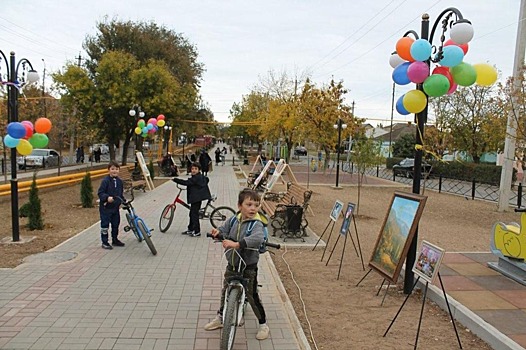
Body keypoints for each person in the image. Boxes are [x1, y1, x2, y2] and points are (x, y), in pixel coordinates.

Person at [204, 189, 270, 340]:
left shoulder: (257, 224)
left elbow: (258, 238)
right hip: (233, 263)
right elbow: (224, 230)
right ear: (240, 206)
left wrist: (237, 244)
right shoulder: (234, 219)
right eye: (249, 204)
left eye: (256, 205)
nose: (253, 208)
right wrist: (217, 232)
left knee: (252, 295)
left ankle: (263, 324)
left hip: (248, 265)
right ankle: (221, 317)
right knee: (226, 289)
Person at [172, 162, 211, 237]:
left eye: (195, 169)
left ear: (199, 170)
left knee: (194, 214)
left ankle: (197, 231)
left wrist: (176, 180)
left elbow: (187, 182)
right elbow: (206, 179)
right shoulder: (199, 177)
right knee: (191, 214)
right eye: (192, 169)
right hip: (196, 198)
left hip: (196, 199)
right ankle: (190, 229)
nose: (193, 170)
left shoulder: (196, 178)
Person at [97, 161, 126, 249]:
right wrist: (106, 198)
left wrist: (123, 201)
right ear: (109, 170)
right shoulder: (105, 181)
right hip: (106, 208)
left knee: (115, 224)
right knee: (105, 225)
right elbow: (100, 193)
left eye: (116, 169)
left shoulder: (120, 181)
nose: (115, 171)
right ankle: (104, 242)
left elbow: (120, 194)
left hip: (115, 208)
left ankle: (115, 239)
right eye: (112, 169)